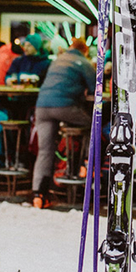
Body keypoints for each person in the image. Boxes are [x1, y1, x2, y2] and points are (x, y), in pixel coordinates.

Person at [31, 37, 96, 208]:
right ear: (85, 50)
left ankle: (39, 194)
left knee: (45, 151)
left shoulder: (57, 60)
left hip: (42, 107)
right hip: (65, 106)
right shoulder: (83, 61)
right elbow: (94, 87)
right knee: (92, 124)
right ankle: (86, 162)